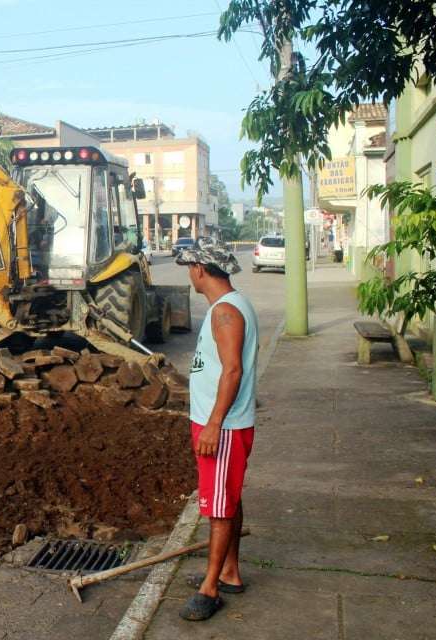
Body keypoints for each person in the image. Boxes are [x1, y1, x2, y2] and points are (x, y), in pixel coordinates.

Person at [174, 245, 258, 622]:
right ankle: (229, 572)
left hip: (221, 427)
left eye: (189, 267)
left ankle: (209, 588)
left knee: (219, 508)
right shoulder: (228, 306)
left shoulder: (225, 311)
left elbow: (233, 371)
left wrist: (213, 423)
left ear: (200, 269)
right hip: (220, 423)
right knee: (229, 499)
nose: (188, 274)